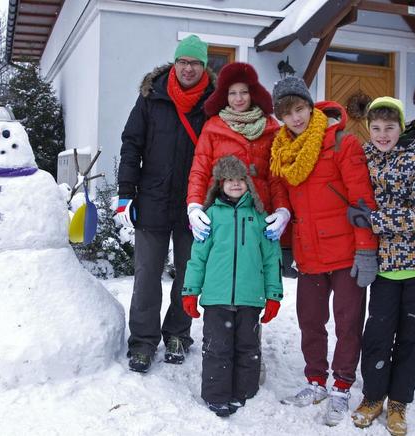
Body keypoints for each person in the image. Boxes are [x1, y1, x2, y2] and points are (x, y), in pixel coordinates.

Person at [269, 76, 378, 426]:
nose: (296, 118)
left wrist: (365, 249)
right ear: (281, 118)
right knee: (310, 321)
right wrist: (287, 247)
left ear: (309, 106)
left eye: (300, 109)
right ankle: (315, 381)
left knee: (348, 324)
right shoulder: (282, 151)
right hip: (310, 252)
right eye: (288, 113)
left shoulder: (342, 143)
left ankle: (342, 386)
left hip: (346, 251)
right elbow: (284, 199)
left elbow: (361, 199)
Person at [347, 97, 415, 436]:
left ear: (401, 126)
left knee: (412, 337)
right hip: (387, 266)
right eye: (375, 128)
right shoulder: (368, 155)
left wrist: (374, 220)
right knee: (377, 334)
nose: (382, 134)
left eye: (389, 128)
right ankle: (373, 396)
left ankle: (399, 402)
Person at [115, 35, 215, 373]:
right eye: (184, 61)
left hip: (194, 204)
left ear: (203, 67)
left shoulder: (213, 104)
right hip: (153, 198)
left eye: (195, 63)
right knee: (146, 276)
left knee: (188, 275)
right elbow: (132, 144)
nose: (188, 68)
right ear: (176, 63)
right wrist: (126, 191)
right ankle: (142, 341)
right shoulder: (151, 97)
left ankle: (178, 334)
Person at [181, 155, 283, 417]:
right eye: (230, 180)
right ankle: (216, 395)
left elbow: (272, 259)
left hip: (251, 297)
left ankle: (244, 394)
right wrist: (190, 291)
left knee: (248, 348)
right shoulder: (211, 216)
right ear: (220, 184)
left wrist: (273, 295)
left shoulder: (259, 218)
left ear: (248, 183)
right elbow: (197, 258)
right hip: (217, 297)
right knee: (217, 348)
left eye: (241, 180)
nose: (236, 184)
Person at [186, 62, 293, 270]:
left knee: (254, 273)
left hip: (258, 215)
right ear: (224, 96)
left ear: (252, 93)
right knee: (221, 271)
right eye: (232, 93)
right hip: (221, 214)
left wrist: (282, 210)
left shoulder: (271, 128)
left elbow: (276, 177)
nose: (238, 98)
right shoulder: (213, 127)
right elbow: (200, 169)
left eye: (243, 92)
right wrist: (194, 206)